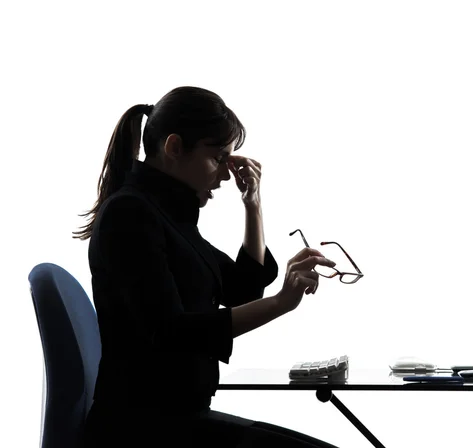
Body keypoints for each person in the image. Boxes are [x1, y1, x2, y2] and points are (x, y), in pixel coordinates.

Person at [73, 86, 340, 447]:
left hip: (177, 419)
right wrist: (281, 302)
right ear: (174, 148)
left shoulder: (168, 216)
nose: (226, 175)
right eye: (218, 158)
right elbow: (172, 331)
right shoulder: (131, 215)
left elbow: (242, 290)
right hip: (143, 429)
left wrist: (253, 205)